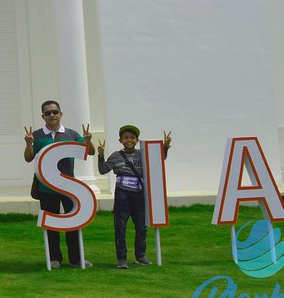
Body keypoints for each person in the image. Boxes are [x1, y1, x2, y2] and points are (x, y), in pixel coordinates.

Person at [23, 99, 93, 268]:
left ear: (61, 114)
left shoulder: (71, 134)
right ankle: (54, 258)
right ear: (43, 116)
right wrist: (28, 144)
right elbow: (28, 158)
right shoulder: (38, 136)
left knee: (73, 223)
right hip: (46, 188)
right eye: (48, 113)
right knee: (51, 223)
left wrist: (88, 140)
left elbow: (89, 152)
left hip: (69, 187)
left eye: (55, 112)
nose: (52, 115)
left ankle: (76, 259)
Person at [97, 126, 172, 269]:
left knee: (141, 227)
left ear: (137, 140)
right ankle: (122, 259)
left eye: (132, 137)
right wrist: (100, 156)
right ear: (120, 140)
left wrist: (165, 147)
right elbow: (102, 170)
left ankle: (140, 256)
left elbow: (158, 160)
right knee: (120, 227)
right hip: (122, 195)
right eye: (126, 137)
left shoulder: (143, 154)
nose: (129, 140)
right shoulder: (115, 156)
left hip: (139, 195)